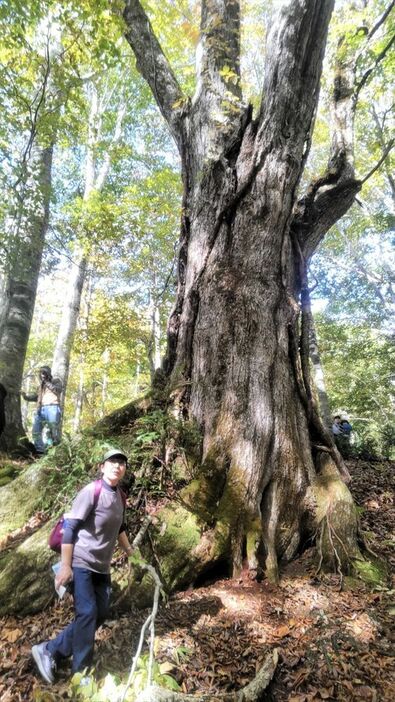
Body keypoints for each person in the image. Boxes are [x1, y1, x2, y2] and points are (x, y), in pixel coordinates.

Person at [31, 448, 134, 685]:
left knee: (99, 614)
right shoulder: (91, 492)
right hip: (81, 562)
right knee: (87, 612)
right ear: (102, 466)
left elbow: (119, 527)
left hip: (102, 567)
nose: (117, 466)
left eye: (121, 462)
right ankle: (82, 674)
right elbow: (70, 529)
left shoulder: (120, 496)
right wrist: (66, 566)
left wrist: (130, 552)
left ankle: (50, 650)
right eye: (112, 462)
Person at [21, 366, 62, 453]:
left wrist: (47, 382)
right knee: (36, 431)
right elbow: (37, 397)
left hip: (52, 408)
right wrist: (26, 397)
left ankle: (51, 452)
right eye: (41, 373)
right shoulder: (41, 386)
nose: (42, 375)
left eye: (44, 373)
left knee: (52, 432)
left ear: (48, 373)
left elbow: (57, 390)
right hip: (41, 410)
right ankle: (40, 452)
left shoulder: (56, 381)